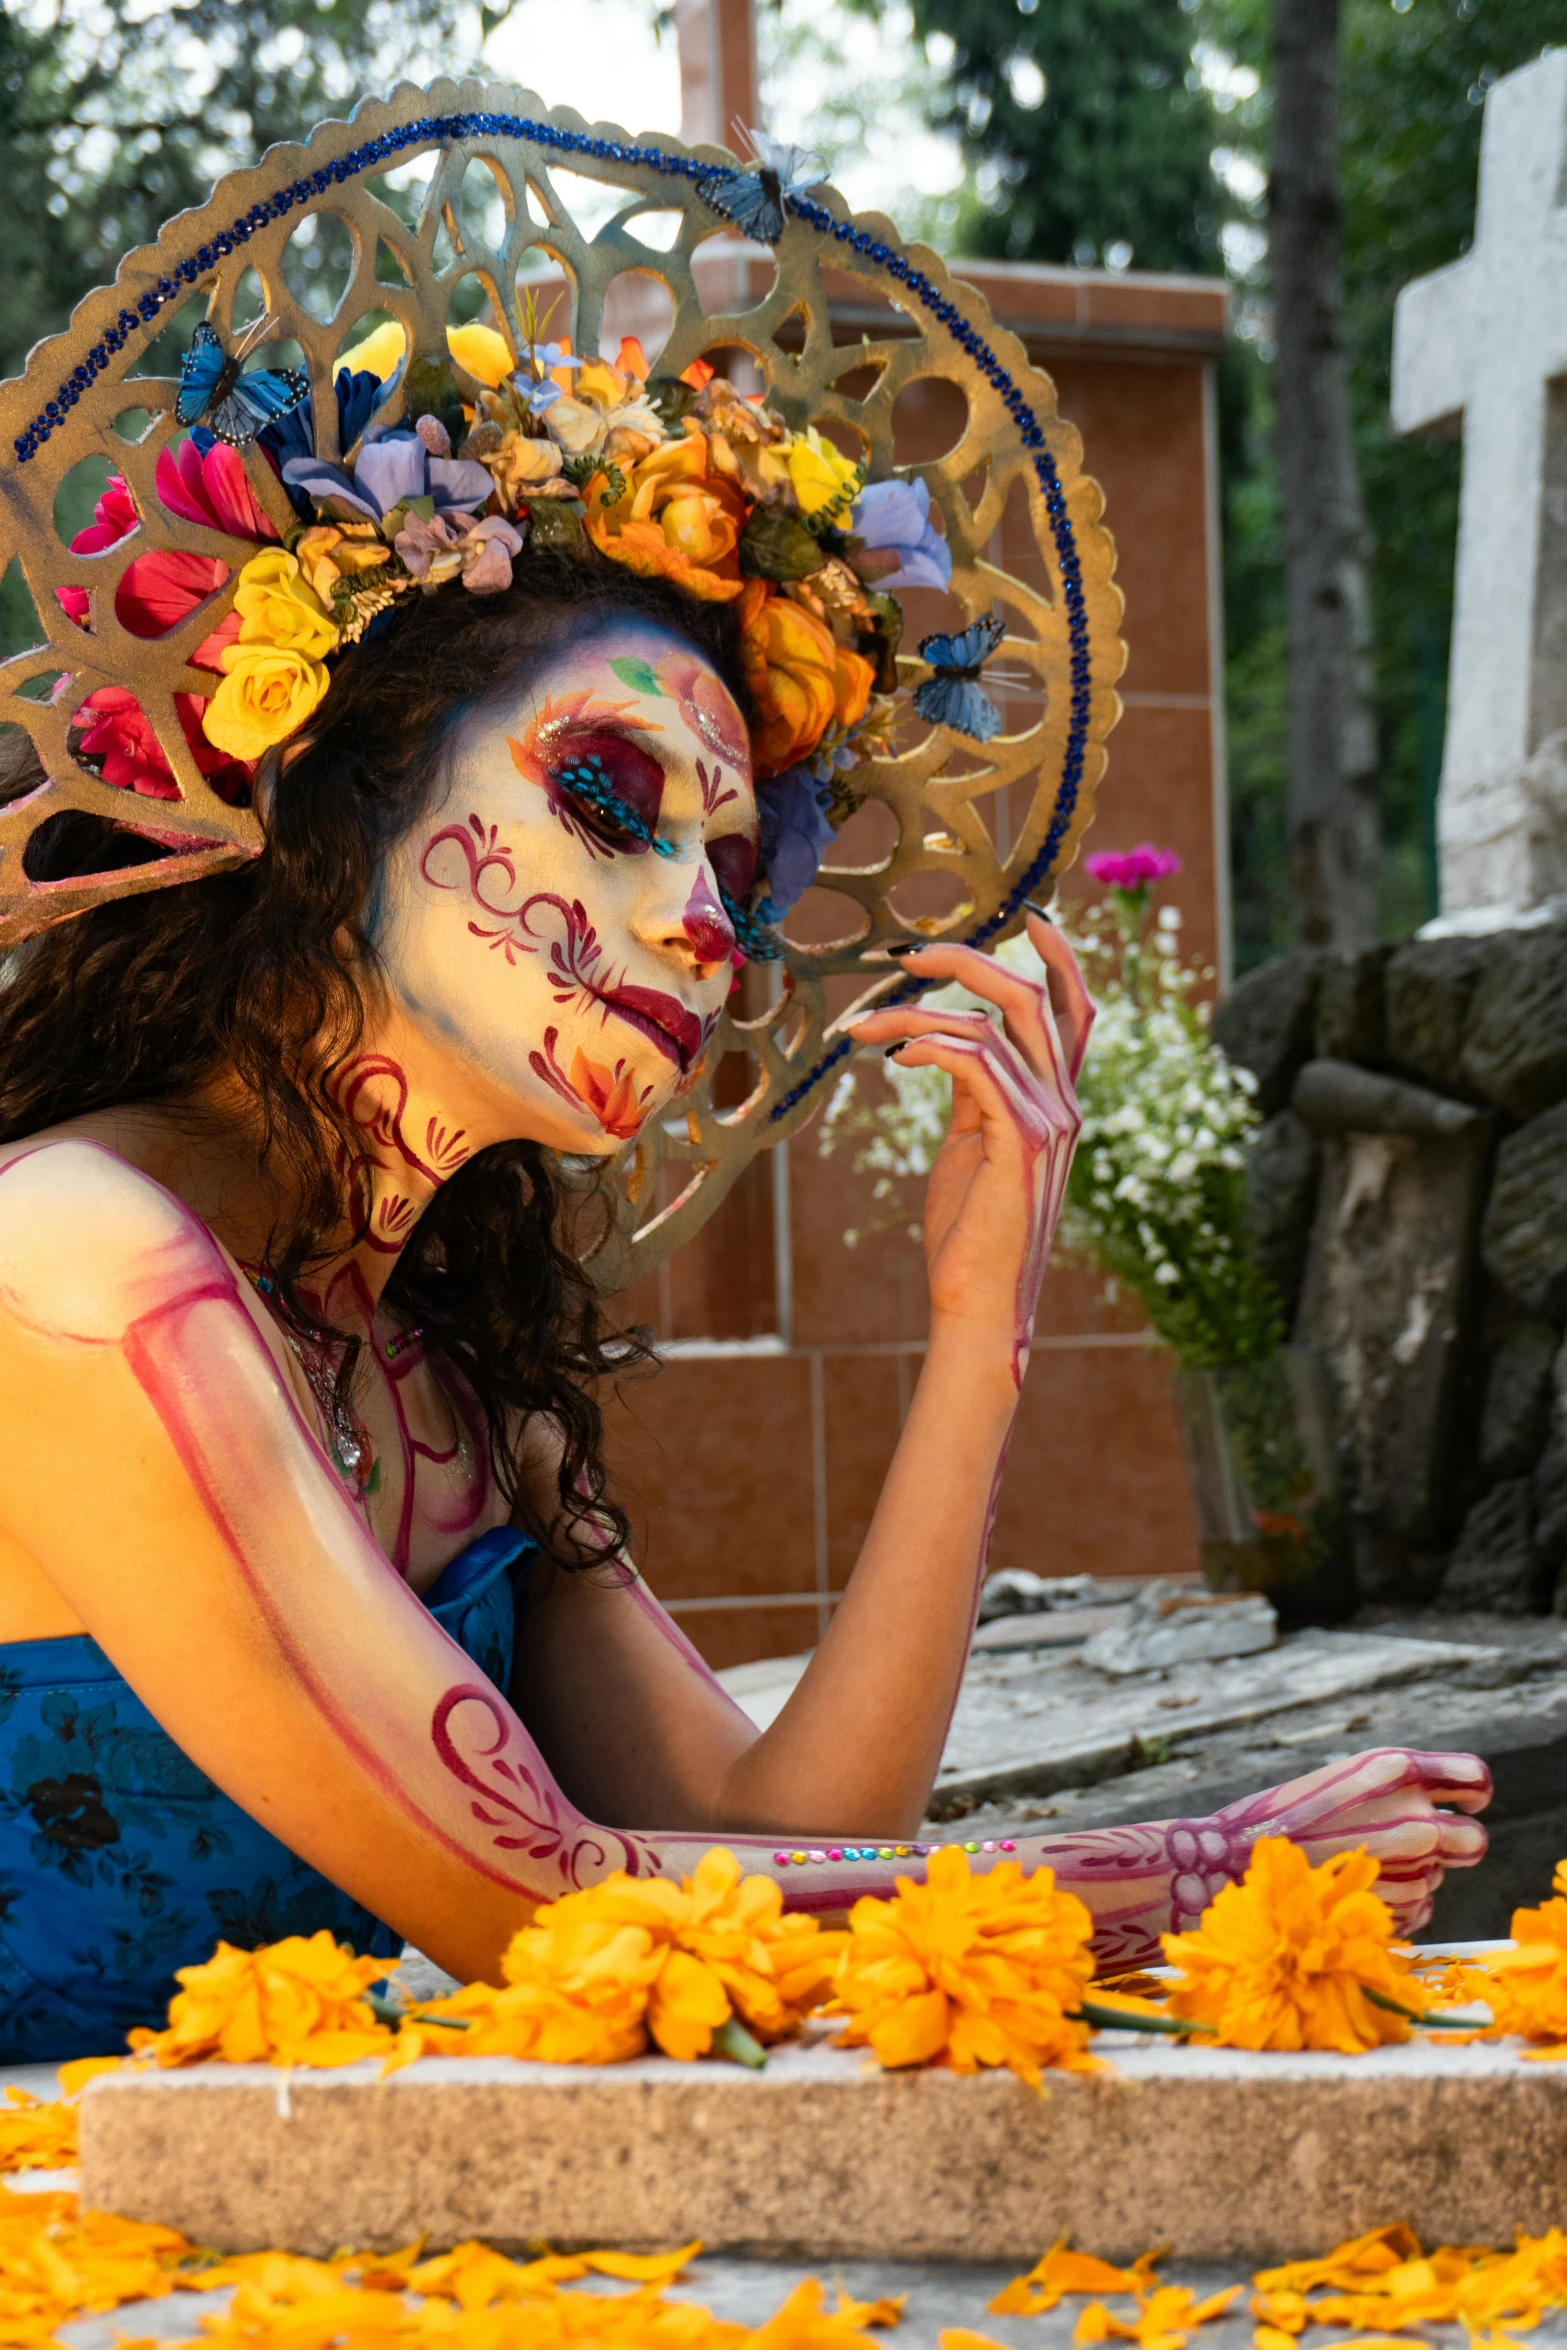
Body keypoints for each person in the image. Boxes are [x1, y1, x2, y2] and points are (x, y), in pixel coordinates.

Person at [0, 170, 1488, 2066]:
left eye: (732, 872)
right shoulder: (75, 1266)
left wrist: (980, 1322)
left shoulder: (446, 1373)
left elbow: (774, 1845)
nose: (701, 923)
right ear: (325, 789)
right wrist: (1190, 1873)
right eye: (609, 797)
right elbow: (553, 1908)